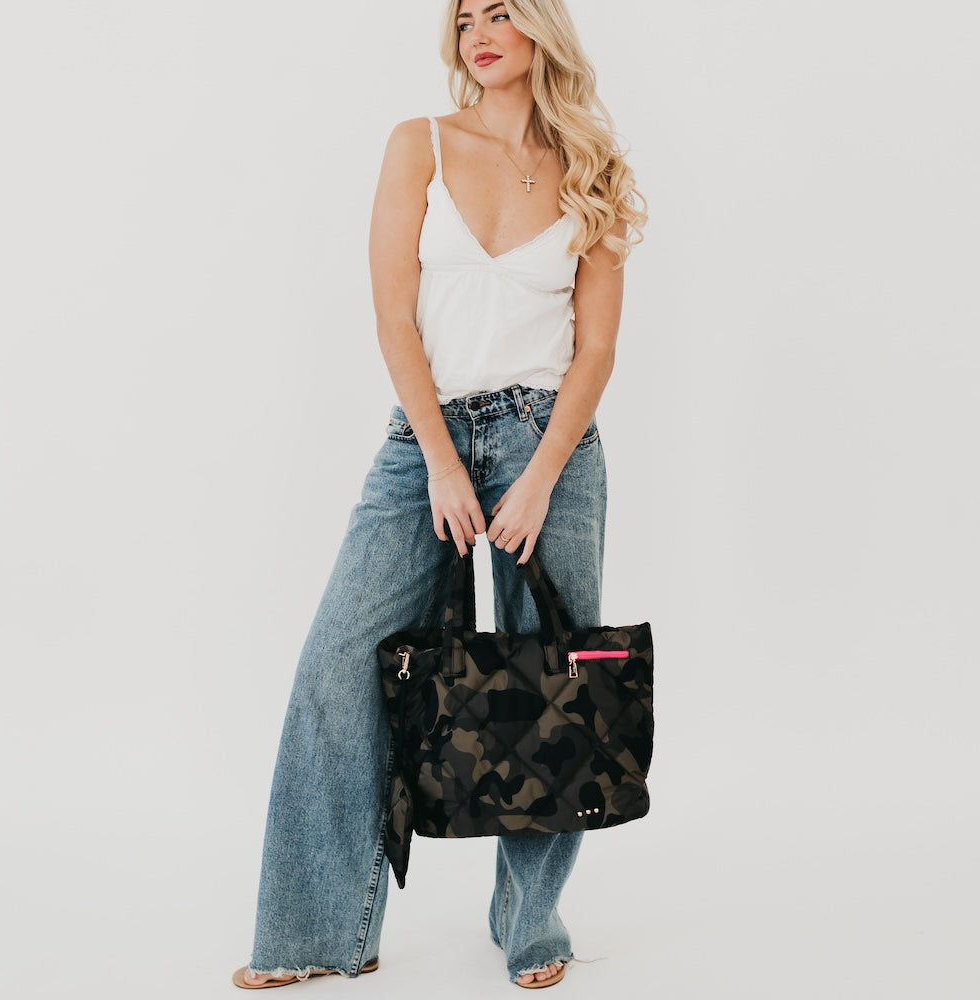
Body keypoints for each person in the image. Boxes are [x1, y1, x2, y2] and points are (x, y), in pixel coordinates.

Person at [232, 0, 646, 990]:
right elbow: (391, 315)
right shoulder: (416, 144)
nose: (479, 33)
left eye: (501, 12)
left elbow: (595, 350)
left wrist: (539, 475)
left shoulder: (593, 163)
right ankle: (317, 929)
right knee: (338, 657)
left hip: (553, 442)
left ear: (542, 27)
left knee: (557, 678)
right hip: (429, 434)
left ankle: (529, 915)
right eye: (464, 19)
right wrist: (441, 460)